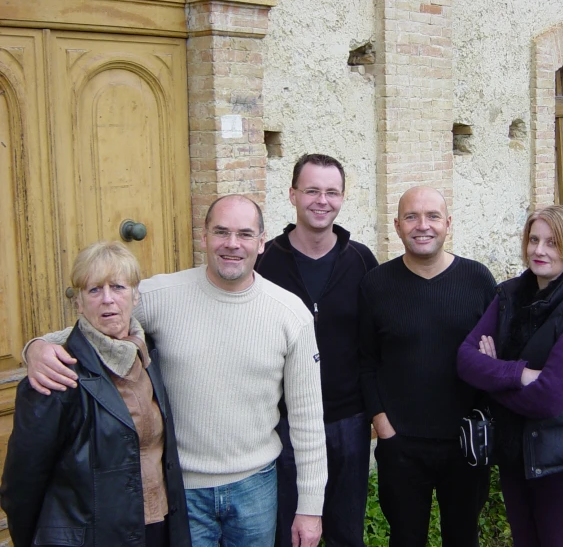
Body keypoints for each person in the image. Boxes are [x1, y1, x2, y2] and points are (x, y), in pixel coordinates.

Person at [22, 196, 328, 547]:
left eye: (245, 234)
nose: (232, 244)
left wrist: (310, 507)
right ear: (203, 237)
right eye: (221, 232)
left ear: (262, 242)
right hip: (182, 491)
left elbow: (307, 419)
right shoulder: (161, 295)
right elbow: (100, 321)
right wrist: (37, 346)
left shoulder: (290, 314)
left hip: (255, 487)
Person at [0, 241, 191, 547]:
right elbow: (22, 485)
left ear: (135, 295)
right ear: (78, 303)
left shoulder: (148, 355)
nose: (107, 300)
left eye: (117, 287)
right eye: (94, 290)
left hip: (159, 526)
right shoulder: (58, 374)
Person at [457, 205, 563, 547]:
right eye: (534, 239)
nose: (539, 250)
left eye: (553, 242)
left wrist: (493, 378)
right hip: (518, 458)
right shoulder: (509, 296)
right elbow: (466, 360)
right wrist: (520, 373)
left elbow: (550, 398)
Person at [359, 186, 496, 547]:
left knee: (463, 537)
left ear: (448, 223)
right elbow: (365, 361)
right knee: (405, 539)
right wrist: (382, 425)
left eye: (433, 216)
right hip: (401, 444)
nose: (423, 226)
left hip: (466, 442)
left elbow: (496, 356)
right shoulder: (376, 284)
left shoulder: (478, 280)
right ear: (397, 226)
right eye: (411, 217)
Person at [255, 154, 378, 547]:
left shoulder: (361, 260)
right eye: (311, 190)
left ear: (342, 198)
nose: (321, 201)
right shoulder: (265, 261)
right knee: (288, 534)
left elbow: (374, 343)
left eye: (331, 192)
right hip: (283, 423)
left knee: (346, 533)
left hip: (348, 420)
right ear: (292, 194)